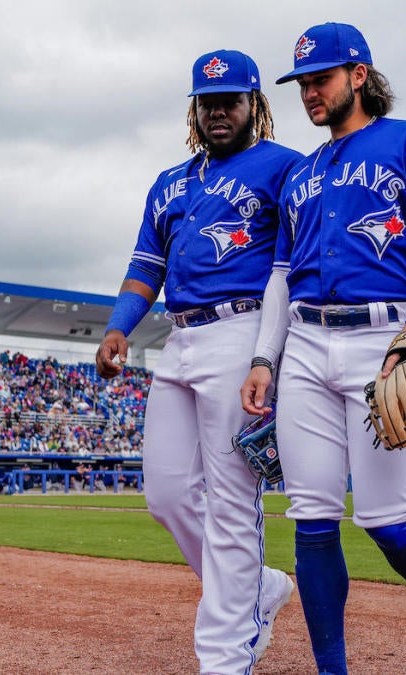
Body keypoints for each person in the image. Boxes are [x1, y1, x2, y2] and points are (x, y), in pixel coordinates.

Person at [240, 23, 406, 674]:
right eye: (303, 83)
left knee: (386, 519)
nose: (310, 93)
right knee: (310, 518)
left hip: (384, 333)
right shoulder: (300, 173)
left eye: (322, 78)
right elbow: (280, 276)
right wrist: (265, 357)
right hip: (307, 343)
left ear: (359, 75)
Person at [94, 49, 303, 673]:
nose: (218, 111)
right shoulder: (170, 183)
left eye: (230, 100)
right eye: (207, 102)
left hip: (242, 332)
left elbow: (292, 267)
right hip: (180, 338)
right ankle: (256, 589)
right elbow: (145, 266)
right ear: (195, 109)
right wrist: (117, 328)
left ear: (255, 105)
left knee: (234, 500)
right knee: (165, 491)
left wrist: (274, 354)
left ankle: (224, 657)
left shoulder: (282, 167)